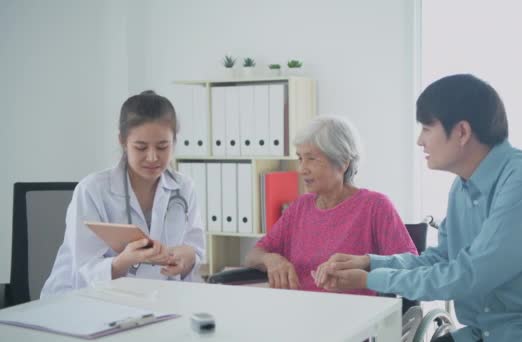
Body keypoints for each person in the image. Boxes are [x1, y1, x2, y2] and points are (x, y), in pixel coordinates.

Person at [314, 75, 522, 341]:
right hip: (494, 329)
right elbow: (444, 257)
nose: (420, 140)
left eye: (427, 128)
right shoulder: (463, 187)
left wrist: (370, 279)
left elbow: (469, 274)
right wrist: (371, 262)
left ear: (462, 132)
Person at [41, 90, 206, 296]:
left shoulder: (184, 187)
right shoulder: (92, 190)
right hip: (85, 303)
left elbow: (195, 251)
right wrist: (124, 261)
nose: (153, 157)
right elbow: (81, 272)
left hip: (158, 301)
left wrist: (188, 258)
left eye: (163, 146)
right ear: (123, 141)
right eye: (141, 147)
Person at [244, 116, 418, 295]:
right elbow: (253, 255)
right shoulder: (299, 207)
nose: (302, 169)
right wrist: (271, 259)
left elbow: (410, 264)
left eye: (311, 159)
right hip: (301, 311)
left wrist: (366, 264)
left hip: (356, 314)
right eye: (300, 158)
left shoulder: (375, 206)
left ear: (343, 163)